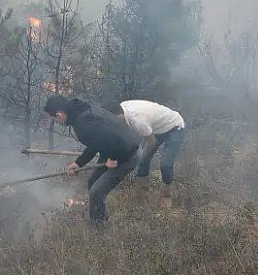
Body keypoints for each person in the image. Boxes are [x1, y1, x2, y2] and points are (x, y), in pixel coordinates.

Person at [43, 95, 140, 226]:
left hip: (128, 153)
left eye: (55, 118)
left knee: (96, 192)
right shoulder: (83, 111)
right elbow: (96, 142)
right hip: (121, 147)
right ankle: (101, 216)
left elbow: (110, 138)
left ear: (59, 115)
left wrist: (113, 158)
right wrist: (78, 163)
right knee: (92, 181)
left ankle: (98, 229)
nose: (58, 121)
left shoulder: (82, 122)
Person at [105, 100, 185, 208]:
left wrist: (131, 154)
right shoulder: (122, 108)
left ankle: (167, 194)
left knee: (165, 164)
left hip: (174, 126)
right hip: (155, 127)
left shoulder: (139, 122)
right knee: (143, 159)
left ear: (120, 115)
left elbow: (151, 142)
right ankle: (142, 194)